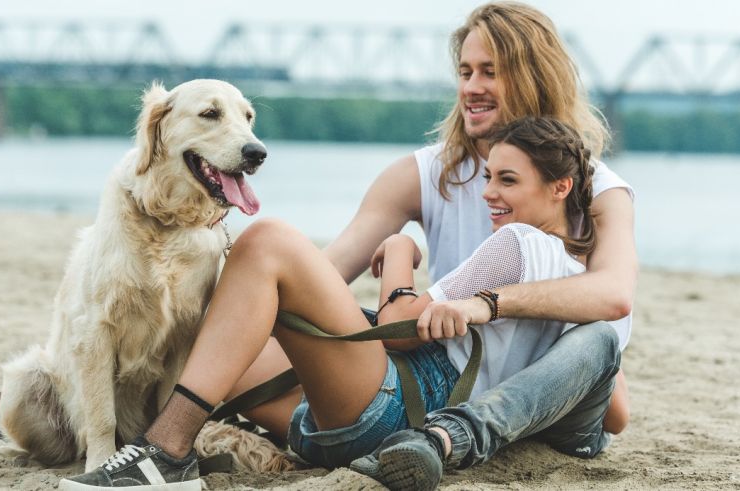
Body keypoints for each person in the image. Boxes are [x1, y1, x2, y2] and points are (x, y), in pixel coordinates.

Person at [0, 0, 635, 485]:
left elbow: (612, 306)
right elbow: (322, 276)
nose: (473, 88)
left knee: (262, 243)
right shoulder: (423, 174)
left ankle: (161, 449)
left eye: (492, 71)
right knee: (235, 308)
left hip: (432, 383)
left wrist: (435, 282)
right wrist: (297, 310)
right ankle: (31, 397)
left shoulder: (596, 186)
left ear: (534, 75)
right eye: (465, 72)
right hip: (406, 371)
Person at [57, 115, 623, 491]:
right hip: (351, 425)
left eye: (506, 181)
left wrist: (400, 254)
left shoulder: (513, 244)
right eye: (489, 178)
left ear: (561, 188)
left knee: (265, 243)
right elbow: (614, 414)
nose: (490, 194)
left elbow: (402, 329)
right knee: (219, 345)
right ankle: (110, 422)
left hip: (389, 408)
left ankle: (164, 448)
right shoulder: (577, 285)